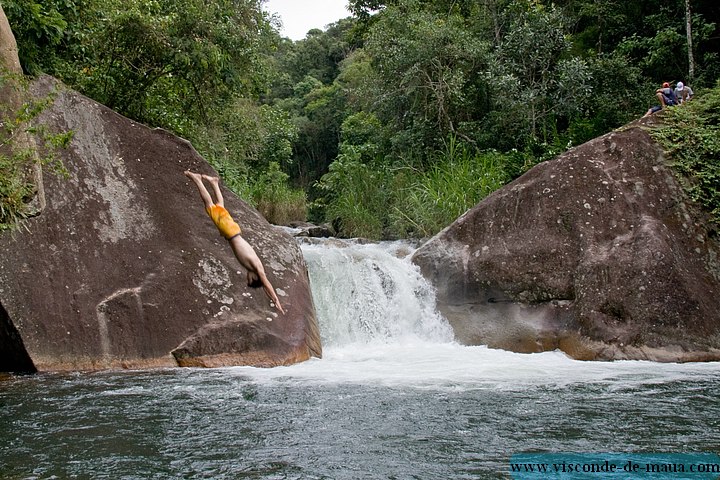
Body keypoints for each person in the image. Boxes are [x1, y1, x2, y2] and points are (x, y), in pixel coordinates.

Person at [185, 170, 285, 314]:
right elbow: (266, 284)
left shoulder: (255, 267)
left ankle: (214, 183)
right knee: (210, 206)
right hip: (231, 233)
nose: (247, 277)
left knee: (220, 206)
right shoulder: (257, 268)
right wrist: (276, 300)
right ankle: (197, 180)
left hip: (233, 232)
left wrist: (271, 298)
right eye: (250, 279)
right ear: (255, 277)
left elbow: (264, 287)